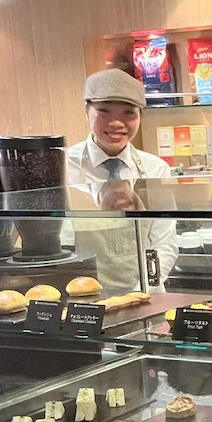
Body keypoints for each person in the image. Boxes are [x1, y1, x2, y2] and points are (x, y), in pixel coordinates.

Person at [65, 69, 177, 289]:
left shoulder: (155, 169)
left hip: (147, 295)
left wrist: (140, 292)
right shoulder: (65, 168)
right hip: (85, 296)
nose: (116, 123)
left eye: (128, 113)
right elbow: (62, 246)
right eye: (104, 111)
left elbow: (164, 244)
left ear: (140, 116)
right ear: (87, 111)